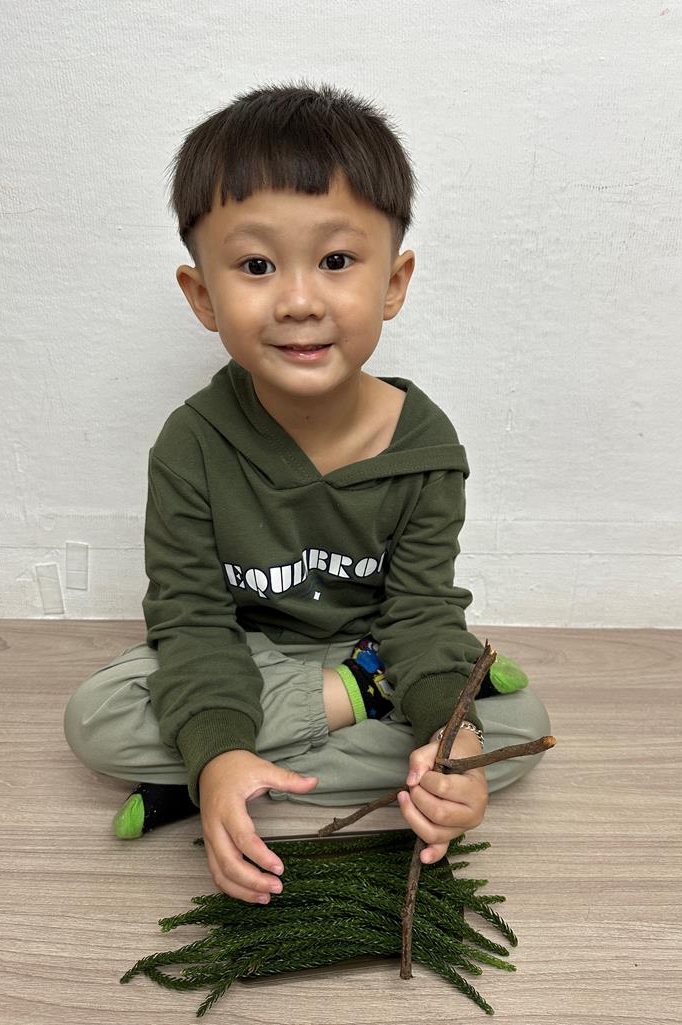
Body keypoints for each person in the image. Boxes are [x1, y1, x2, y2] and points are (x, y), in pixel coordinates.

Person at [64, 82, 550, 906]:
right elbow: (191, 622)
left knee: (512, 730)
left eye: (335, 261)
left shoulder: (425, 447)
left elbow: (421, 616)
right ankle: (284, 736)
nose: (297, 300)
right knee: (95, 717)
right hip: (245, 656)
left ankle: (216, 775)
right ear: (202, 294)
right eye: (256, 266)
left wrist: (452, 739)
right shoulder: (190, 445)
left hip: (379, 645)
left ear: (393, 281)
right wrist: (227, 733)